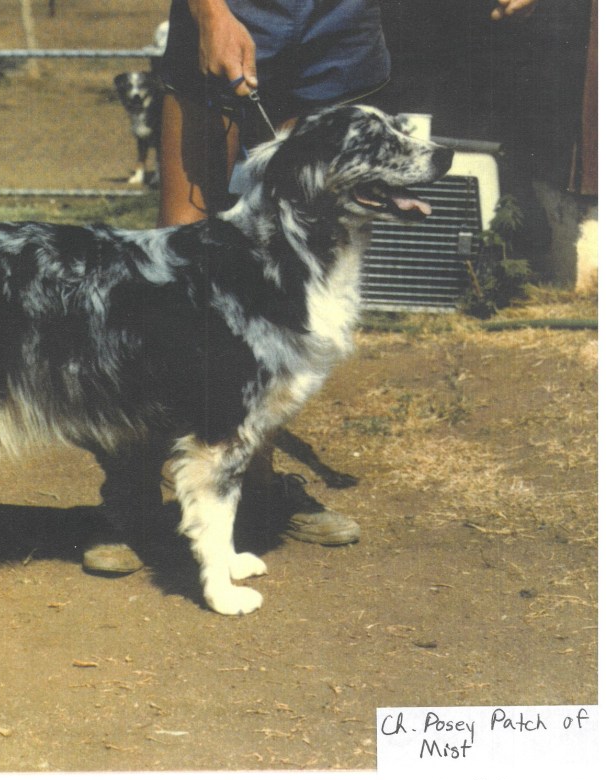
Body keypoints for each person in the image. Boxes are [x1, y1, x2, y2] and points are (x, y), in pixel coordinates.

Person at [155, 0, 540, 547]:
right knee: (180, 246)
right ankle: (136, 493)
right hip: (237, 8)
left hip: (340, 19)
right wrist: (211, 13)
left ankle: (252, 489)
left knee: (295, 255)